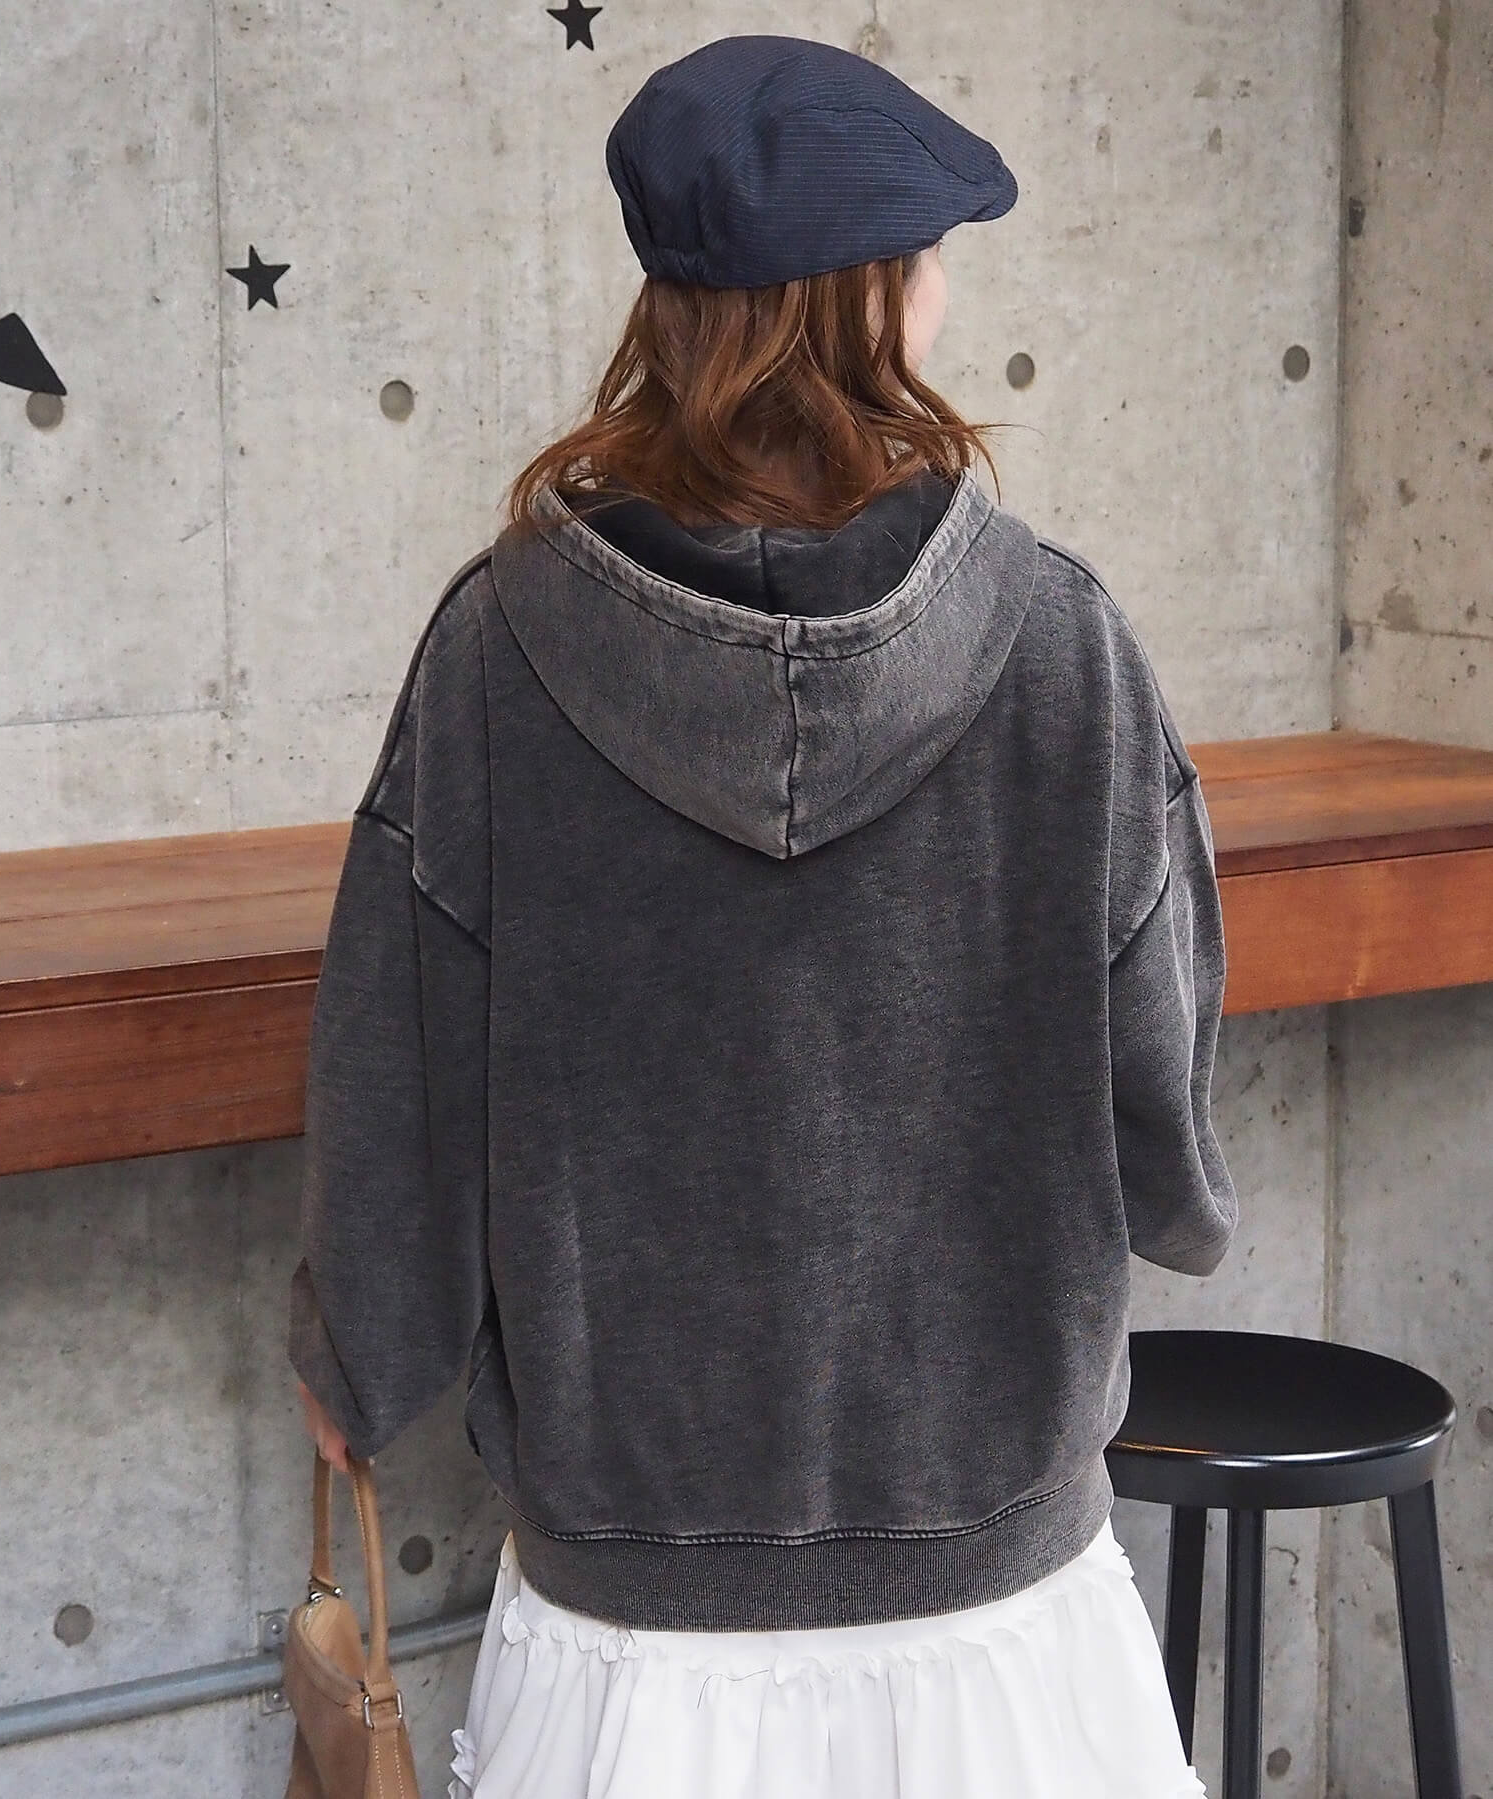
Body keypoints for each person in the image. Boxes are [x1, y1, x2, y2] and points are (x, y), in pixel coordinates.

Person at [290, 33, 1237, 1799]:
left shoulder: (498, 652)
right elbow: (1159, 1058)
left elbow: (399, 1051)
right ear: (868, 300)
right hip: (995, 1583)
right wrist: (1178, 1197)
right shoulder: (1061, 642)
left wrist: (358, 1344)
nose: (944, 297)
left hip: (634, 1598)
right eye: (929, 258)